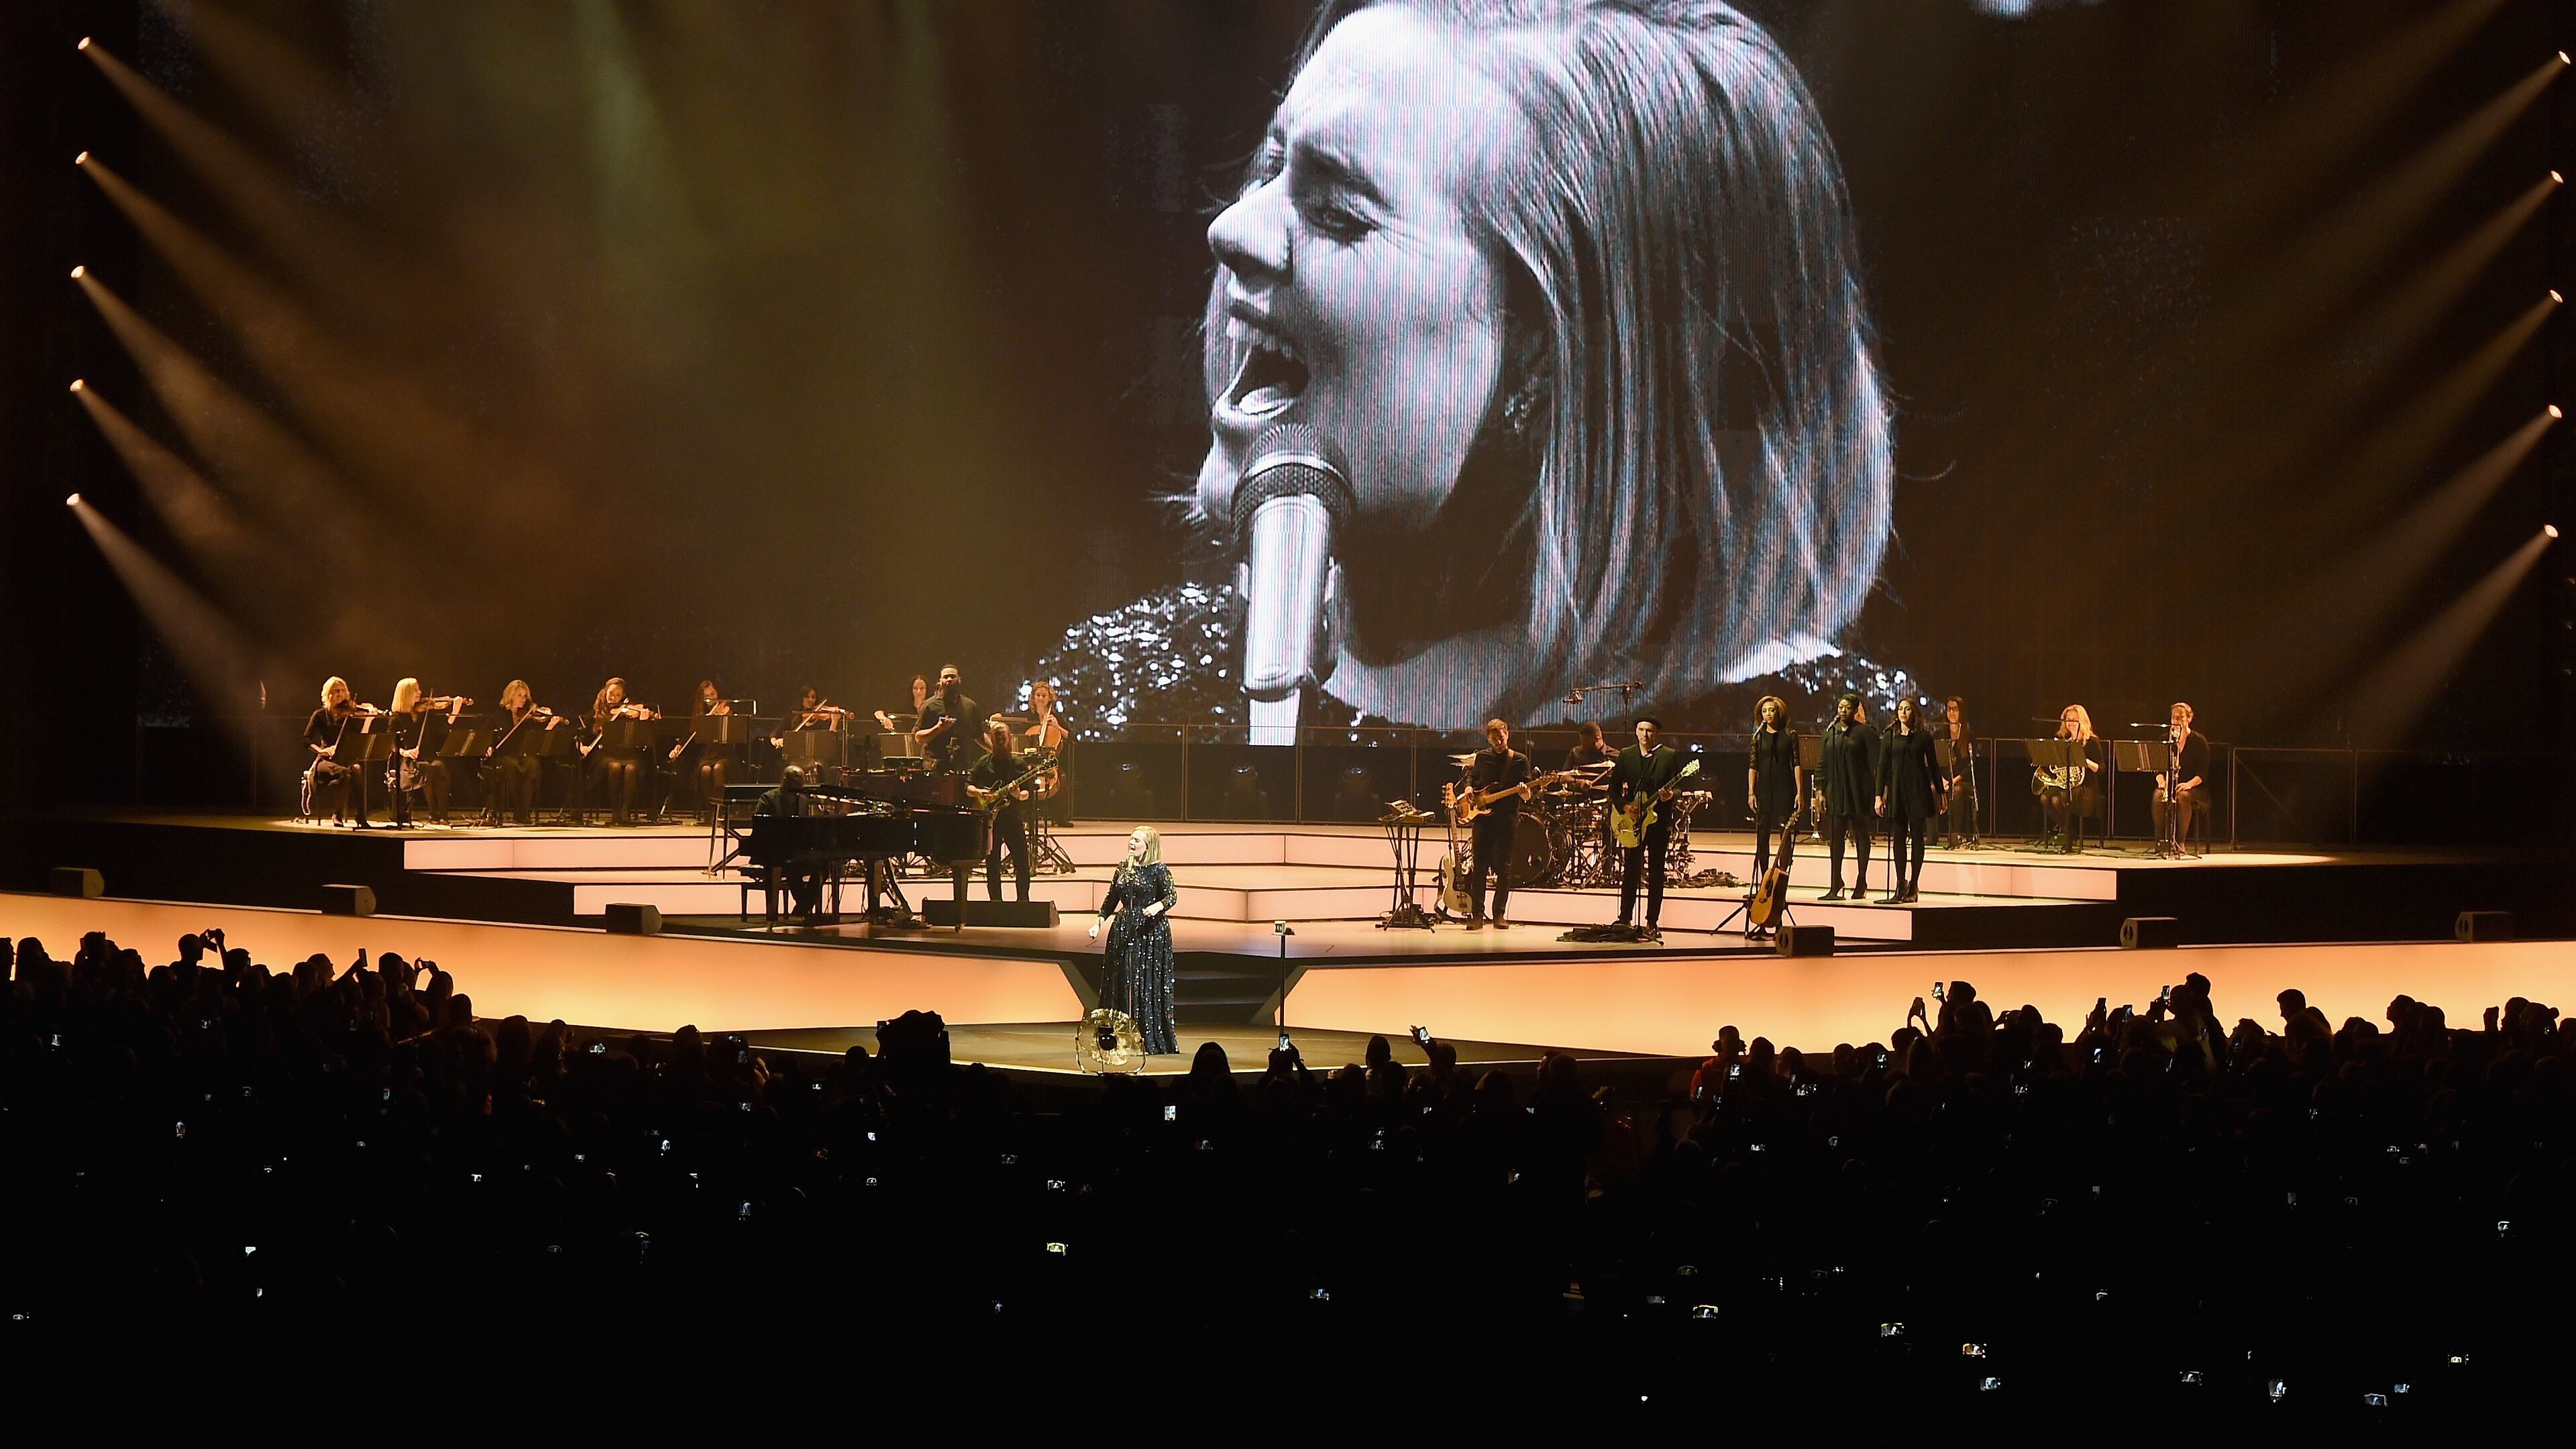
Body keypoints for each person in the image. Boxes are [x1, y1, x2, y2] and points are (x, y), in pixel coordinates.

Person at [1032, 0, 1900, 735]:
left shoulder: (1817, 747)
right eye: (1269, 167)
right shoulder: (1119, 699)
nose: (1232, 229)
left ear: (1555, 354)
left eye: (1338, 212)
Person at [1089, 825, 1178, 1055]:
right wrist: (1099, 921)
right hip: (1123, 929)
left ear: (1148, 846)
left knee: (1141, 981)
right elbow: (1112, 899)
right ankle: (1117, 1035)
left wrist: (1157, 906)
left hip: (1149, 932)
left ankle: (1144, 1036)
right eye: (1131, 838)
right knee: (1122, 979)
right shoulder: (1122, 868)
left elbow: (1172, 896)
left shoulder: (1158, 870)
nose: (1131, 843)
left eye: (1137, 840)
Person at [1605, 716, 1691, 938]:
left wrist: (1671, 795)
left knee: (1656, 872)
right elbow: (1613, 789)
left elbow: (1680, 787)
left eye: (1650, 731)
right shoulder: (1627, 755)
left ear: (1656, 734)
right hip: (1633, 821)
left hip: (1658, 822)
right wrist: (1624, 807)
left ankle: (1652, 921)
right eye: (1642, 730)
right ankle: (1625, 917)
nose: (1645, 734)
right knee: (1631, 870)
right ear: (1636, 732)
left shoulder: (1668, 756)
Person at [1461, 717, 1534, 928]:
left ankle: (1499, 915)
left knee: (1504, 868)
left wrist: (1525, 792)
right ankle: (1477, 915)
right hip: (1483, 819)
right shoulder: (1482, 757)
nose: (1499, 742)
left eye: (1501, 738)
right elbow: (1472, 778)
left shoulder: (1519, 760)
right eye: (1494, 739)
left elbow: (1528, 795)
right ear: (1489, 739)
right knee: (1480, 867)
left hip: (1507, 818)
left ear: (1507, 735)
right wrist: (1468, 789)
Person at [1876, 698, 1943, 904]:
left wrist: (1941, 793)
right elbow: (1883, 767)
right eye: (1900, 709)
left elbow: (1933, 766)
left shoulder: (1923, 737)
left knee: (1916, 838)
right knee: (1898, 839)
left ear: (1914, 712)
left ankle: (1914, 883)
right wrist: (1879, 795)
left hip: (1918, 791)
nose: (1903, 712)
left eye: (1907, 709)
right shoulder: (1889, 736)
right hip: (1897, 792)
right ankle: (1899, 883)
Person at [1815, 692, 1876, 901]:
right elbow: (1822, 763)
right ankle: (1835, 882)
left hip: (1858, 791)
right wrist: (1819, 790)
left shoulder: (1864, 733)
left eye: (1847, 708)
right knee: (1836, 839)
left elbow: (1876, 763)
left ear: (1855, 710)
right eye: (1840, 706)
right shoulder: (1830, 733)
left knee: (1861, 836)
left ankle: (1861, 880)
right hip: (1836, 792)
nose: (1842, 711)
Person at [967, 716, 1034, 904]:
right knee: (992, 862)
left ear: (1010, 738)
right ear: (991, 738)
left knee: (1022, 861)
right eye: (997, 738)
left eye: (1003, 737)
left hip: (1013, 818)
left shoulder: (1019, 764)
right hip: (991, 820)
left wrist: (1018, 794)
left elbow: (1028, 792)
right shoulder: (983, 763)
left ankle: (1023, 901)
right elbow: (968, 787)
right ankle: (995, 902)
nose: (1000, 741)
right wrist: (979, 792)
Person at [384, 678, 468, 826]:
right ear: (406, 693)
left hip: (427, 756)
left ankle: (442, 814)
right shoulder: (396, 718)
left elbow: (444, 728)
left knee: (439, 767)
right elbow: (391, 744)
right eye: (416, 689)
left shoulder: (425, 714)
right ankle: (432, 813)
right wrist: (406, 752)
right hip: (407, 761)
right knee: (428, 769)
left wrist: (455, 711)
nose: (420, 692)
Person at [482, 680, 566, 825]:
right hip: (504, 755)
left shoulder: (529, 715)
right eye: (519, 695)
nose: (523, 699)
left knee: (533, 765)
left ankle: (524, 811)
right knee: (512, 766)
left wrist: (551, 724)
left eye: (525, 696)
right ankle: (519, 808)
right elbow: (488, 733)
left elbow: (538, 739)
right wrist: (488, 746)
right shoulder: (500, 714)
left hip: (522, 754)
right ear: (511, 696)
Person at [578, 678, 658, 826]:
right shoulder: (596, 713)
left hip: (627, 754)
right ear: (605, 692)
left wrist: (644, 719)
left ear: (623, 696)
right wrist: (583, 745)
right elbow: (583, 735)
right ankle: (615, 811)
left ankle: (625, 811)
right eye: (611, 693)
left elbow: (641, 737)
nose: (614, 697)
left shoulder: (628, 712)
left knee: (631, 768)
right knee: (614, 767)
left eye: (618, 694)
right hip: (604, 755)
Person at [302, 676, 377, 826]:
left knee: (355, 770)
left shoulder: (350, 714)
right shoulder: (320, 715)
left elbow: (360, 738)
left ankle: (361, 817)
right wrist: (323, 751)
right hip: (325, 762)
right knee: (346, 773)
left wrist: (369, 719)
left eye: (343, 691)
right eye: (336, 691)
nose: (340, 694)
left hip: (344, 759)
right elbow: (306, 740)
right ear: (328, 694)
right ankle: (337, 814)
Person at [753, 763, 824, 919]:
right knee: (792, 866)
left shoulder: (803, 801)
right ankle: (804, 906)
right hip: (773, 851)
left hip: (797, 851)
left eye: (801, 784)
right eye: (796, 784)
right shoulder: (768, 799)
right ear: (785, 780)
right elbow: (760, 830)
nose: (799, 788)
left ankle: (803, 906)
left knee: (825, 865)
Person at [1746, 694, 1803, 881]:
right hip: (1764, 788)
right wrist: (1751, 792)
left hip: (1784, 787)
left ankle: (1781, 875)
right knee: (1762, 836)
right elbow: (1753, 765)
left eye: (1771, 710)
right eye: (1764, 711)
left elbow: (1796, 764)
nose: (1768, 714)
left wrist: (1800, 792)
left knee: (1784, 833)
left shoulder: (1789, 735)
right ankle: (1764, 879)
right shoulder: (1758, 736)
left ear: (1779, 712)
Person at [2037, 704, 2104, 853]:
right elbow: (2056, 768)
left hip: (2086, 788)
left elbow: (2102, 769)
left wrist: (2085, 762)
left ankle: (2068, 838)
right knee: (2045, 798)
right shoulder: (2064, 741)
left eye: (2074, 719)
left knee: (2058, 799)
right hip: (2068, 785)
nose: (2071, 723)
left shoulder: (2091, 741)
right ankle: (2070, 831)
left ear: (2082, 721)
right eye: (2068, 720)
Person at [667, 680, 735, 824]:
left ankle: (720, 811)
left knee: (718, 768)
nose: (711, 698)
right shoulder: (700, 714)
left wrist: (724, 718)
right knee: (705, 770)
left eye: (713, 694)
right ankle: (710, 809)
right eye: (707, 696)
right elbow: (691, 735)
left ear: (718, 692)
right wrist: (679, 746)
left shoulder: (726, 709)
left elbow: (735, 735)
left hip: (725, 754)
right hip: (708, 755)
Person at [2151, 701, 2210, 851]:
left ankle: (2180, 843)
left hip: (2194, 787)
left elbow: (2203, 773)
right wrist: (2161, 780)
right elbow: (2158, 767)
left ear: (2189, 719)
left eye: (2180, 718)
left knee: (2183, 796)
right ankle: (2162, 842)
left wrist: (2188, 784)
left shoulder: (2199, 741)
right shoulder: (2165, 738)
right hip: (2171, 785)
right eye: (2174, 718)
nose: (2176, 721)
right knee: (2158, 796)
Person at [914, 665, 977, 771]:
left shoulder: (970, 706)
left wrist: (996, 750)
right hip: (935, 768)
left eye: (952, 677)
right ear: (940, 681)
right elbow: (918, 737)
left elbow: (978, 734)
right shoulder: (929, 706)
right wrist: (939, 728)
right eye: (946, 677)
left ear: (959, 680)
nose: (949, 680)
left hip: (962, 767)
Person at [1938, 696, 1978, 849]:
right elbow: (1935, 762)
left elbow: (1970, 766)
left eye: (1955, 709)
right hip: (1943, 779)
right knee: (1932, 789)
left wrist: (1954, 780)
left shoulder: (1969, 737)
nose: (1951, 713)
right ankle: (1931, 835)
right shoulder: (1940, 735)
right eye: (1949, 709)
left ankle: (1955, 834)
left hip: (1962, 782)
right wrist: (1941, 780)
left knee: (1958, 791)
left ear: (1961, 712)